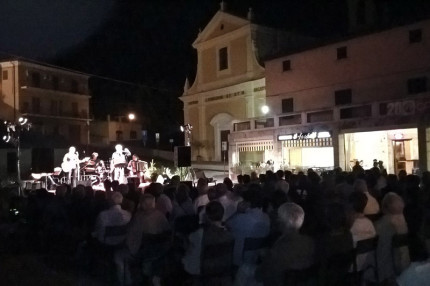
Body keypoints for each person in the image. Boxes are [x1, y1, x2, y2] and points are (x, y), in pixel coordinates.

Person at [255, 202, 315, 286]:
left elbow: (264, 275)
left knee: (244, 269)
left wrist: (266, 258)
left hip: (277, 281)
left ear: (281, 221)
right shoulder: (309, 241)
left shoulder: (281, 247)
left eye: (278, 216)